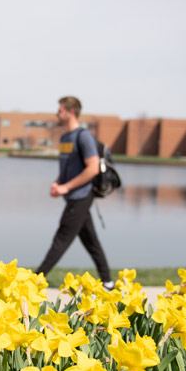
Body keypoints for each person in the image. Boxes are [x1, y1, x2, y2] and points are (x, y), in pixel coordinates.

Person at [35, 96, 113, 289]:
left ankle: (34, 280)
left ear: (70, 112)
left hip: (81, 196)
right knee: (90, 240)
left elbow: (93, 168)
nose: (56, 114)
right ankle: (108, 282)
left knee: (61, 239)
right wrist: (58, 183)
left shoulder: (83, 136)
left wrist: (67, 187)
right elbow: (67, 169)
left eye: (59, 110)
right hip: (73, 196)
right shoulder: (64, 138)